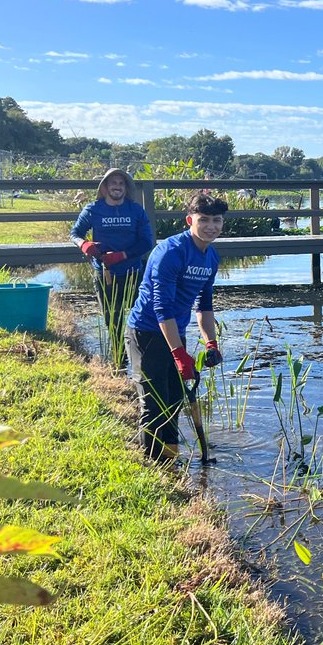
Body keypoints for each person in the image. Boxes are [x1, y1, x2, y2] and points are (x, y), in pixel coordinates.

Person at [124, 191, 227, 462]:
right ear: (189, 219)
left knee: (173, 403)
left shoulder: (211, 257)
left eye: (216, 220)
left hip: (174, 333)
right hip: (146, 332)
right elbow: (162, 309)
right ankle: (152, 464)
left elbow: (204, 306)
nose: (211, 226)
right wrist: (179, 354)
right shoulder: (170, 252)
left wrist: (211, 343)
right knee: (155, 403)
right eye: (203, 220)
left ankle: (169, 460)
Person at [70, 169, 155, 364]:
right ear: (105, 187)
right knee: (113, 321)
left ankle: (142, 358)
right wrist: (84, 244)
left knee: (141, 319)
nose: (117, 186)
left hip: (133, 273)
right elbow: (75, 233)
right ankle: (120, 361)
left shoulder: (136, 211)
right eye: (113, 183)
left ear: (126, 188)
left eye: (121, 183)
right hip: (105, 274)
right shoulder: (93, 209)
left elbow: (147, 242)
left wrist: (122, 255)